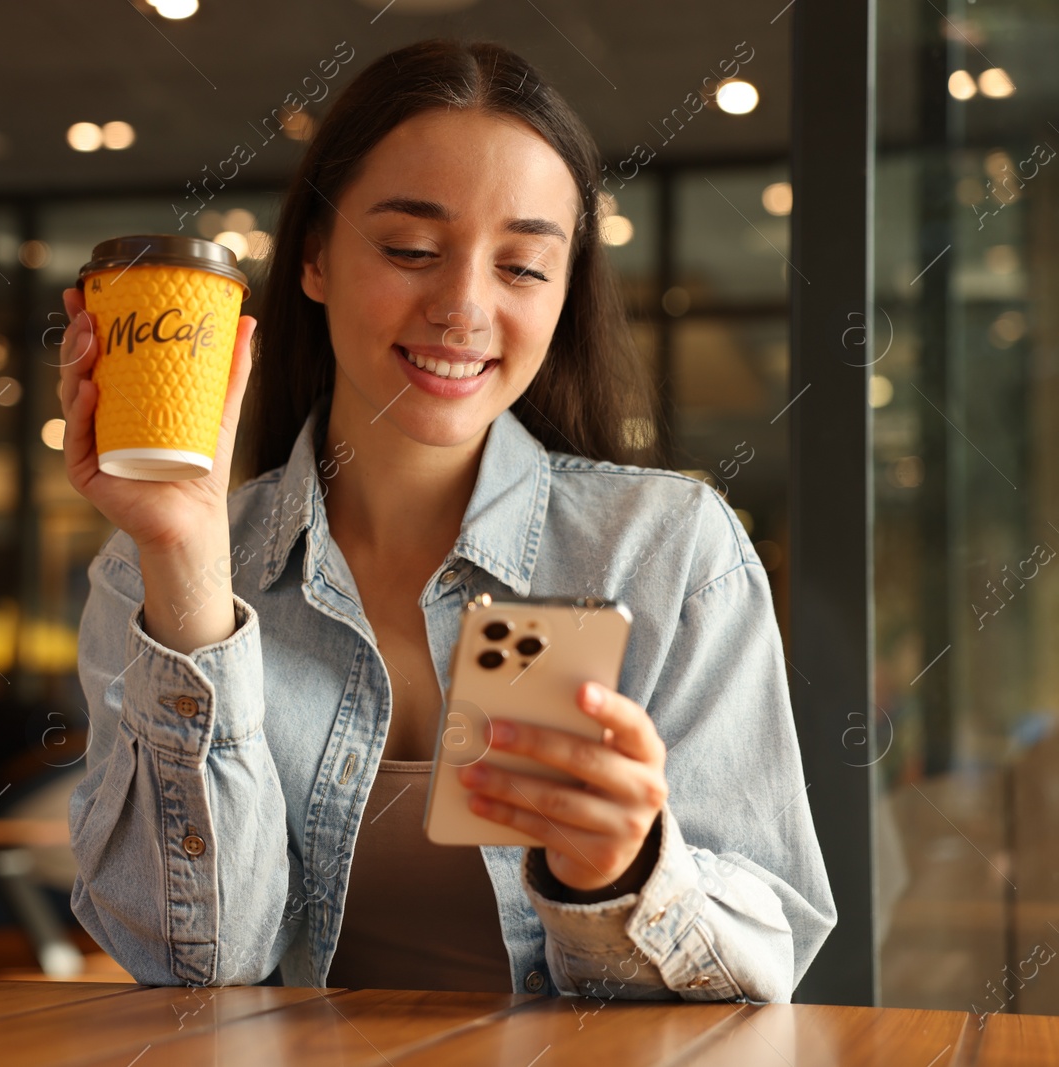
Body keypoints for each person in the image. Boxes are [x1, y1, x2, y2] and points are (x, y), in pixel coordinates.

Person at [61, 37, 836, 1000]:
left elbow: (767, 946)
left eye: (521, 267)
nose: (464, 306)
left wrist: (625, 875)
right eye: (412, 250)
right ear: (313, 259)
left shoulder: (664, 551)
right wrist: (187, 568)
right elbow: (198, 964)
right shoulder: (146, 573)